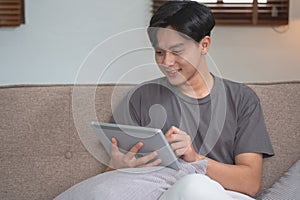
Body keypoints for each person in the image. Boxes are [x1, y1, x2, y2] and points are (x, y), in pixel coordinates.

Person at [107, 1, 274, 199]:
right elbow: (109, 184)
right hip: (161, 194)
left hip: (221, 195)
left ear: (204, 45)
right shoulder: (141, 98)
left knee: (194, 186)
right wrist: (116, 168)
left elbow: (249, 183)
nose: (167, 62)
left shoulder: (241, 99)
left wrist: (195, 160)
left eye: (177, 51)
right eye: (160, 52)